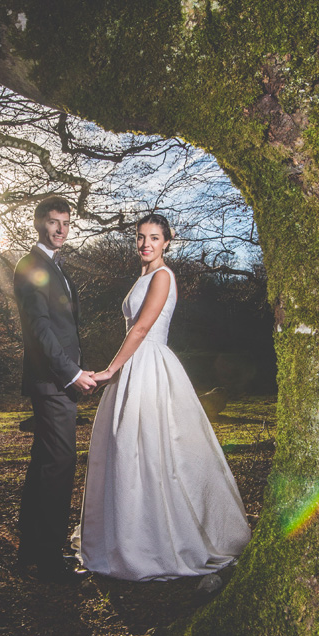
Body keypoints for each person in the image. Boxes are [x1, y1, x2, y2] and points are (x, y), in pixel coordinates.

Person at [73, 214, 251, 580]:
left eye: (154, 237)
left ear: (168, 241)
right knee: (126, 449)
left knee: (152, 449)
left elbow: (141, 328)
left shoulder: (163, 276)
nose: (145, 244)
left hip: (149, 364)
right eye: (140, 237)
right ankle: (128, 537)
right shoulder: (142, 276)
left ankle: (161, 541)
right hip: (134, 366)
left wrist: (110, 370)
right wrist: (119, 370)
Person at [13, 196, 98, 583]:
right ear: (38, 223)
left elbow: (62, 328)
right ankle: (49, 557)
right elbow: (41, 329)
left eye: (66, 222)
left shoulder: (53, 266)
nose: (61, 229)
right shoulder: (32, 266)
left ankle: (31, 548)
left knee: (45, 463)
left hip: (55, 378)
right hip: (52, 381)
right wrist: (71, 374)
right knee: (60, 464)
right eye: (53, 222)